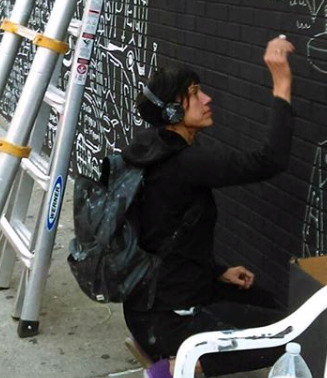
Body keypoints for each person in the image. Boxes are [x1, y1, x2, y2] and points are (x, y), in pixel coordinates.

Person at [121, 36, 296, 378]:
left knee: (270, 305)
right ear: (173, 110)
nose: (207, 98)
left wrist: (217, 271)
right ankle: (172, 368)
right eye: (195, 93)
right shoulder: (185, 162)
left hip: (149, 306)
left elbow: (161, 235)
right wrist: (282, 82)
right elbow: (269, 160)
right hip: (172, 318)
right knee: (294, 334)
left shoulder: (148, 148)